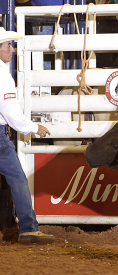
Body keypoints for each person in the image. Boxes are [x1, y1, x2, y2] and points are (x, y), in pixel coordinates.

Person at [0, 27, 54, 245]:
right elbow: (10, 112)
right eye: (7, 46)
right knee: (18, 180)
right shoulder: (3, 76)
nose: (12, 50)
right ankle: (28, 228)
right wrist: (33, 127)